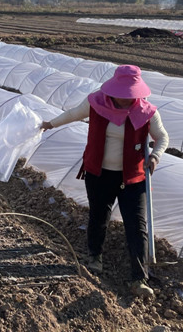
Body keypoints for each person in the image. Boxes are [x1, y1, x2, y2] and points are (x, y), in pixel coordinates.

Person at [41, 65, 168, 298]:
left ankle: (139, 278)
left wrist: (156, 156)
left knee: (136, 225)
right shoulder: (96, 103)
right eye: (121, 93)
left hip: (132, 176)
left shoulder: (147, 112)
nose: (125, 99)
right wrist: (50, 124)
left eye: (130, 94)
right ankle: (94, 256)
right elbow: (72, 114)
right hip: (99, 173)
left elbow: (162, 138)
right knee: (99, 216)